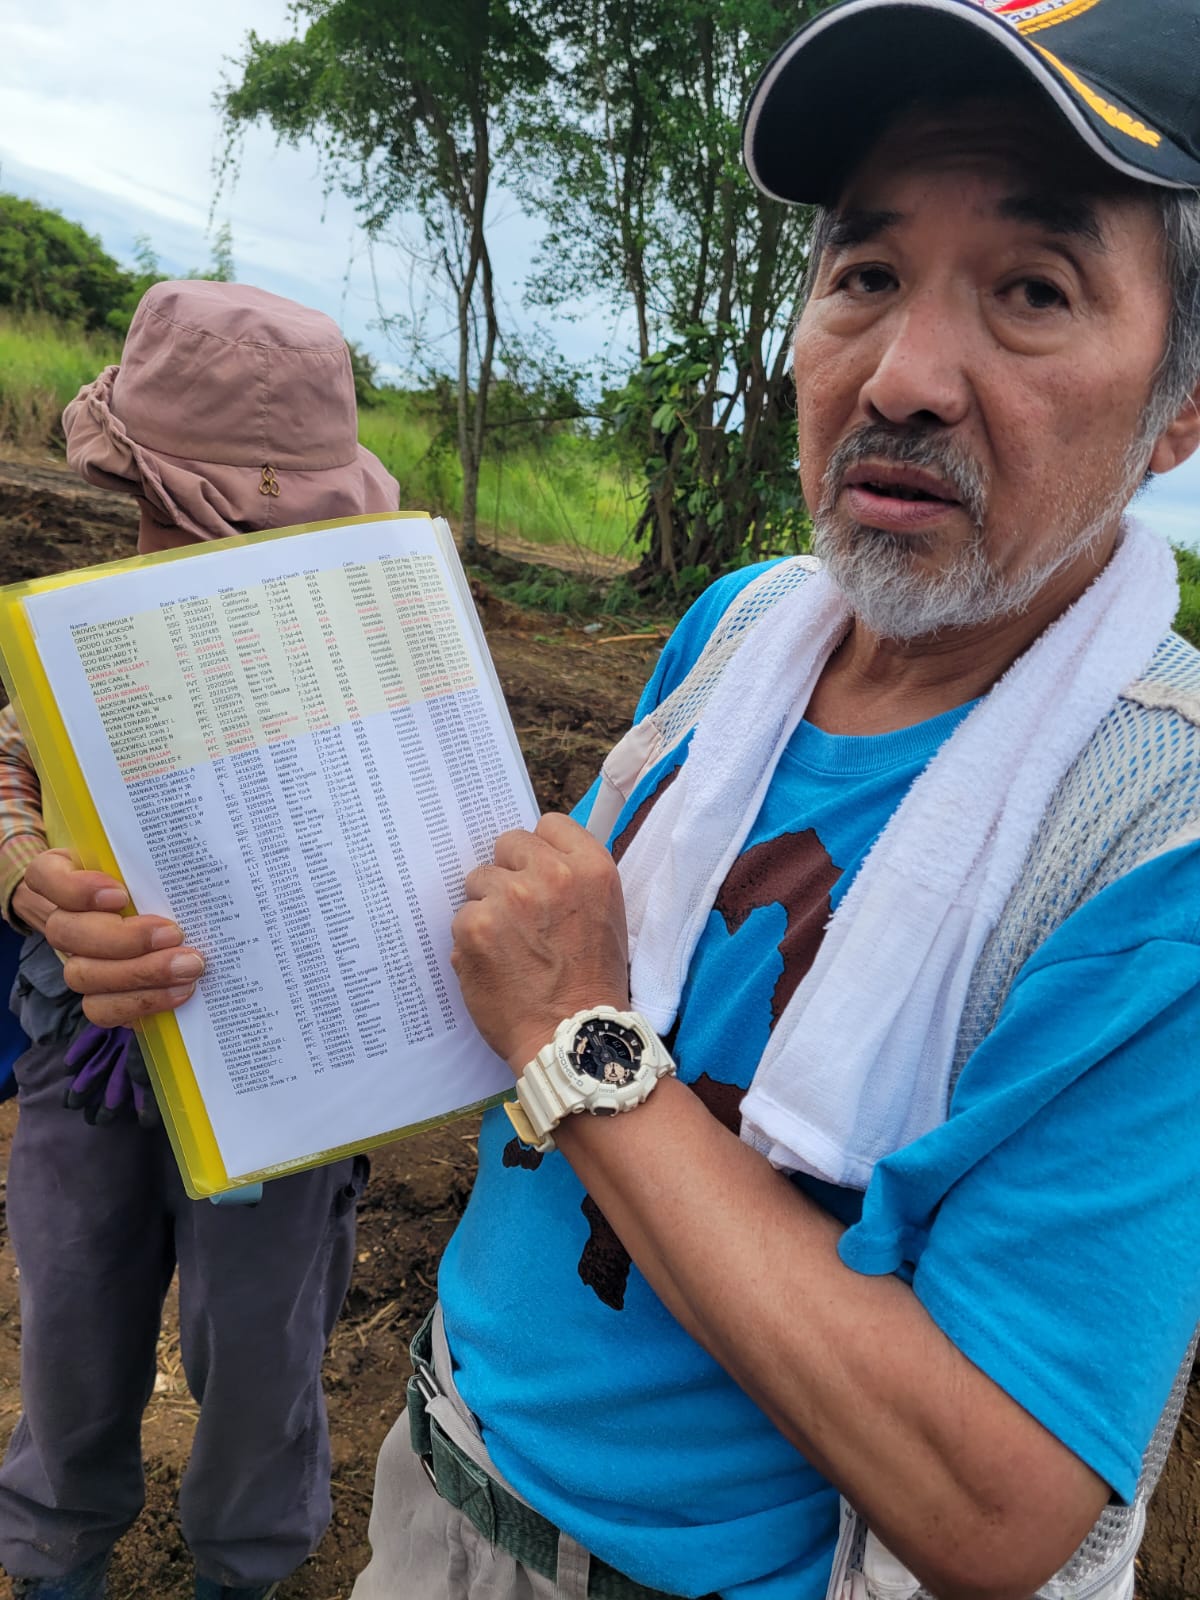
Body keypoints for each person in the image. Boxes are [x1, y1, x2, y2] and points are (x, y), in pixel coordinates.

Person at [44, 2, 1200, 1597]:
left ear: (1182, 408)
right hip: (446, 1485)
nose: (908, 376)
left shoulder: (1157, 845)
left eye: (1033, 291)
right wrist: (182, 937)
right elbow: (518, 978)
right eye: (864, 275)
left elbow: (1000, 1509)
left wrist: (582, 1043)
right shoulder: (737, 634)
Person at [0, 280, 399, 1600]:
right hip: (88, 1051)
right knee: (69, 1326)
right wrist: (29, 879)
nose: (173, 535)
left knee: (261, 1362)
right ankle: (55, 1554)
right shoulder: (86, 627)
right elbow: (9, 769)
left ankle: (243, 1570)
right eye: (159, 511)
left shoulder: (373, 655)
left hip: (289, 1078)